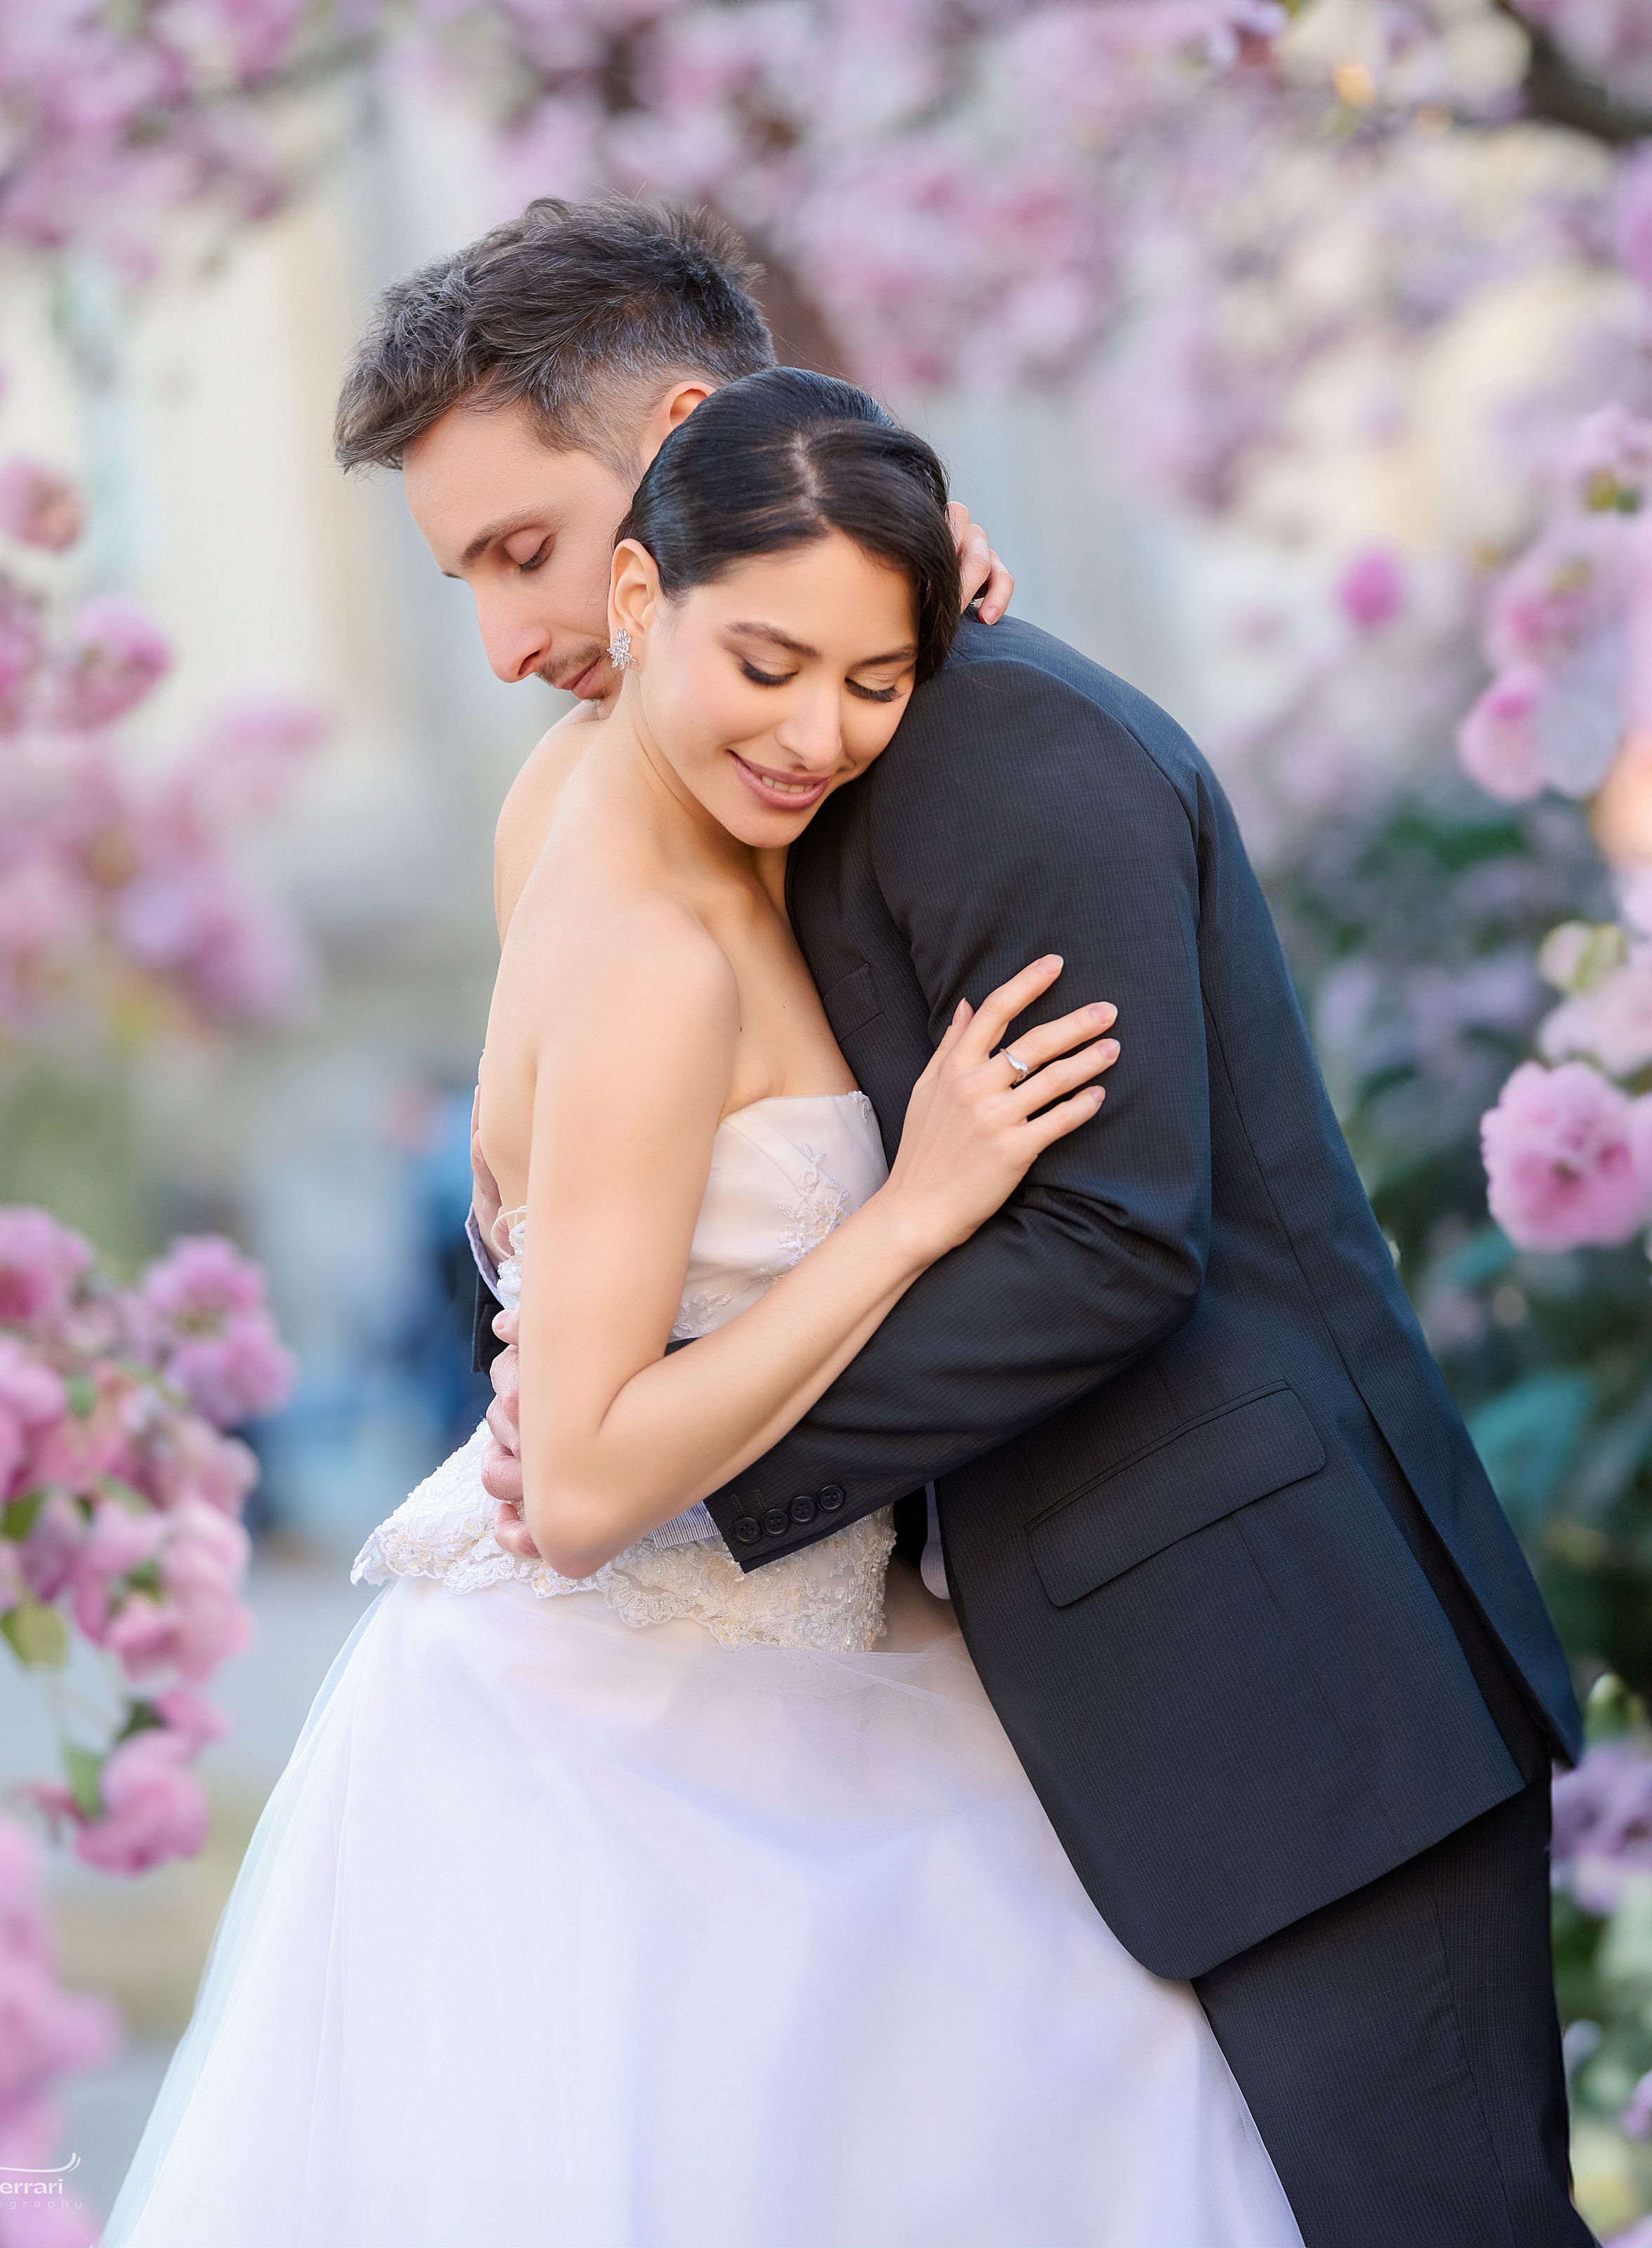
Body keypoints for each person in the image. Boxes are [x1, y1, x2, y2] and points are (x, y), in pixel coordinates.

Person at [343, 200, 1593, 2247]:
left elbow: (1111, 1238)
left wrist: (681, 1475)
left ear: (670, 449)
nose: (505, 636)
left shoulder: (994, 742)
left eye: (521, 549)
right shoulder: (660, 795)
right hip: (1027, 1727)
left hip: (1296, 1693)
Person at [101, 367, 1307, 2248]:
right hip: (629, 1740)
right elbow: (577, 1490)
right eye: (767, 665)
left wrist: (895, 556)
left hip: (848, 1670)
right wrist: (908, 1214)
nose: (818, 732)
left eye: (871, 682)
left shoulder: (600, 792)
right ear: (647, 605)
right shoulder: (652, 952)